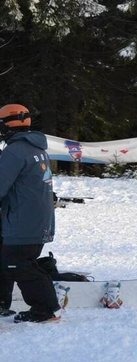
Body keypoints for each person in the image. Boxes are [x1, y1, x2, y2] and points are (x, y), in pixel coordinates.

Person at [0, 104, 61, 323]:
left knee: (17, 263)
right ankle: (2, 302)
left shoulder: (15, 152)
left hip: (22, 222)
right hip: (34, 220)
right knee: (8, 259)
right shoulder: (36, 148)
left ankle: (47, 309)